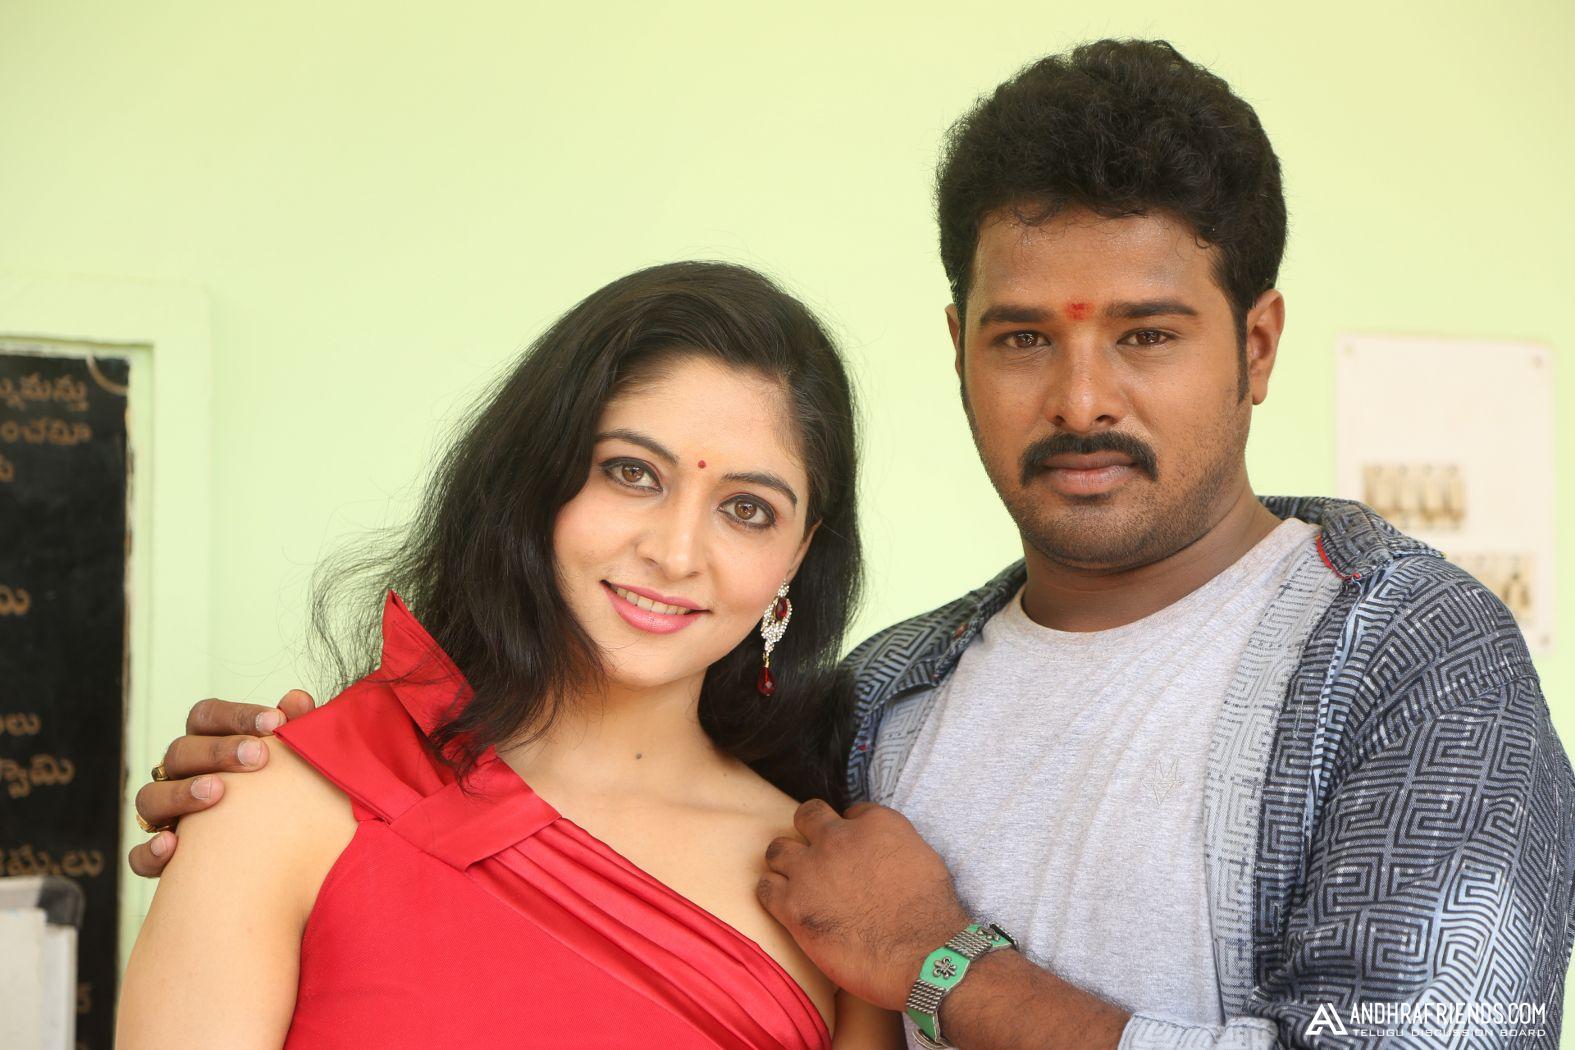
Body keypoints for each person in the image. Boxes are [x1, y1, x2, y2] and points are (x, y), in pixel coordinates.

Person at [130, 40, 1575, 1050]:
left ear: (1255, 345)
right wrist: (303, 780)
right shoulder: (882, 702)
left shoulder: (1412, 663)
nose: (1081, 399)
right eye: (1024, 337)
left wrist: (948, 966)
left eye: (1146, 335)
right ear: (957, 346)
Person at [117, 261, 903, 1048]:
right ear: (537, 473)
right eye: (632, 473)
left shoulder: (819, 887)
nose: (675, 553)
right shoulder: (288, 802)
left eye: (747, 509)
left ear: (797, 556)